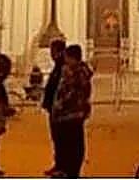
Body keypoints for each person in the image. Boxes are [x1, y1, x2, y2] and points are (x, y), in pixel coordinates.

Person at [51, 44, 94, 179]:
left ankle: (71, 171)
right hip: (73, 113)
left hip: (70, 113)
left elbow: (70, 93)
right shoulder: (77, 72)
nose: (65, 60)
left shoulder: (76, 73)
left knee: (72, 144)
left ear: (72, 58)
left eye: (67, 57)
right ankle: (68, 169)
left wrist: (59, 104)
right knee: (72, 143)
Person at [41, 38, 67, 177]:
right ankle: (59, 165)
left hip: (59, 110)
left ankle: (62, 166)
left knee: (60, 139)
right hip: (54, 108)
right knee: (57, 139)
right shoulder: (58, 66)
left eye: (53, 51)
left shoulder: (62, 67)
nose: (51, 54)